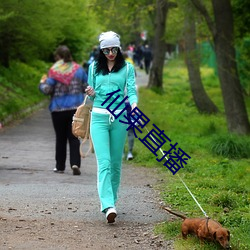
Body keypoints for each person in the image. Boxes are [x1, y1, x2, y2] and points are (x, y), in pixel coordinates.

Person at [85, 31, 138, 223]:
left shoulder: (127, 68)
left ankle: (112, 201)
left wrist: (134, 105)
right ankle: (107, 205)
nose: (110, 53)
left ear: (119, 48)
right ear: (101, 50)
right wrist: (90, 92)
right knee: (104, 163)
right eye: (106, 50)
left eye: (114, 49)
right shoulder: (93, 68)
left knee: (116, 164)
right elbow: (91, 96)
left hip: (119, 118)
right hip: (98, 118)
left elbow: (131, 91)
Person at [39, 45, 88, 175]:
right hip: (75, 109)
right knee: (74, 137)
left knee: (60, 138)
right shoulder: (79, 70)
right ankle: (75, 163)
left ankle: (60, 166)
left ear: (58, 57)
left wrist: (42, 83)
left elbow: (47, 90)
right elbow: (86, 87)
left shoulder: (54, 71)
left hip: (58, 109)